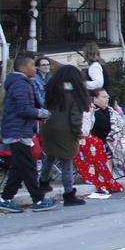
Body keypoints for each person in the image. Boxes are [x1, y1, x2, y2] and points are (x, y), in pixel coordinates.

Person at [0, 56, 55, 212]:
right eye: (32, 65)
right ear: (23, 68)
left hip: (19, 130)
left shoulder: (21, 83)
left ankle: (5, 198)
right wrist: (42, 113)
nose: (35, 68)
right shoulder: (20, 84)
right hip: (17, 131)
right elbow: (23, 109)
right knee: (29, 166)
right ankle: (38, 200)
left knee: (19, 167)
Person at [39, 65, 88, 206]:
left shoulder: (53, 89)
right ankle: (68, 195)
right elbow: (75, 118)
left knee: (50, 156)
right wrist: (78, 134)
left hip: (49, 128)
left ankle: (43, 182)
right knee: (67, 162)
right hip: (66, 130)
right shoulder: (76, 94)